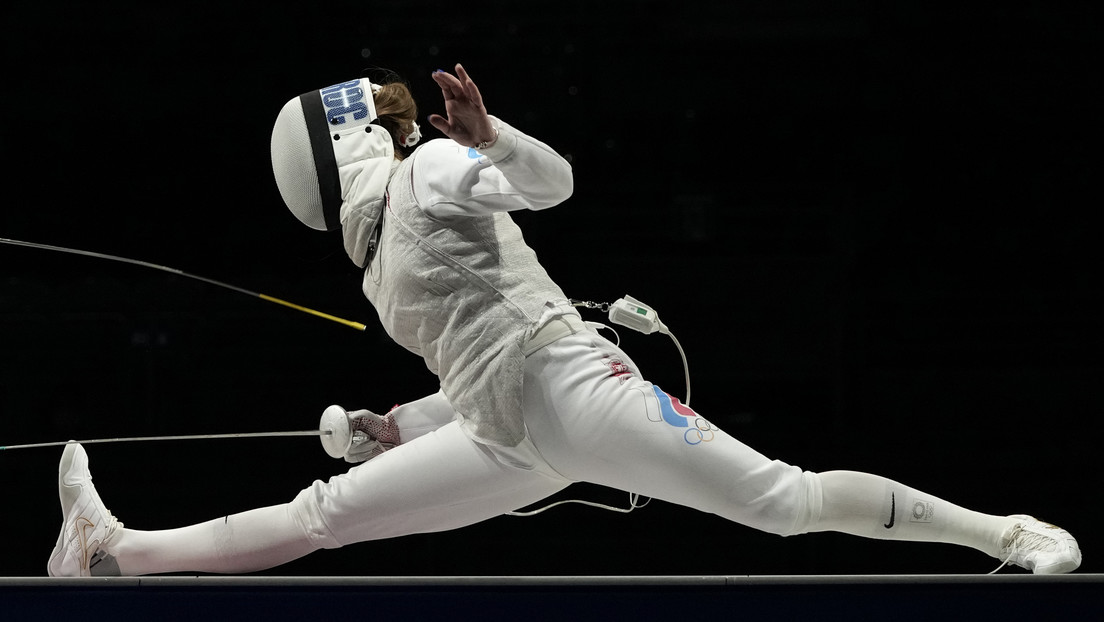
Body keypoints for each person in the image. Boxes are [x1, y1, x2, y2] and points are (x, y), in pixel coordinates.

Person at [48, 64, 1080, 577]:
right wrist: (399, 425)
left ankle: (1009, 532)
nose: (405, 124)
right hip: (513, 435)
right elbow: (483, 357)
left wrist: (492, 142)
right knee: (326, 515)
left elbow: (550, 189)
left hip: (576, 390)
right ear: (353, 139)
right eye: (386, 118)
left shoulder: (417, 195)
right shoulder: (397, 235)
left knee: (783, 499)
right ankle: (109, 550)